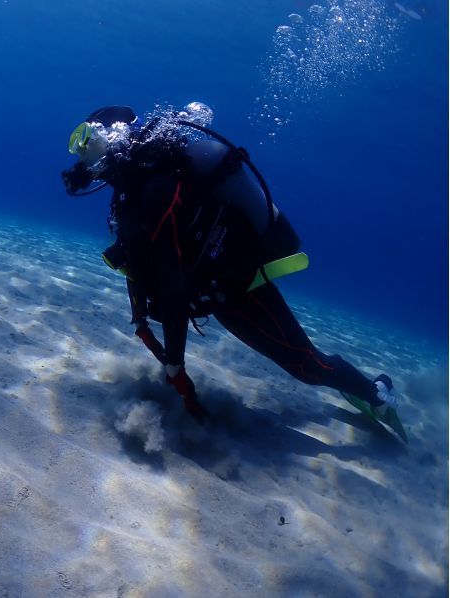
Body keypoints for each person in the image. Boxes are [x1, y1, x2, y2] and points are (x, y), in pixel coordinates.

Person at [61, 104, 407, 442]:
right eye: (81, 147)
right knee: (304, 364)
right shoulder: (128, 197)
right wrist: (139, 320)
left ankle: (378, 393)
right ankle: (362, 387)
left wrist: (174, 365)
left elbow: (174, 281)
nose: (84, 157)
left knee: (306, 366)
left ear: (120, 139)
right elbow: (134, 261)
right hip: (212, 291)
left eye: (89, 142)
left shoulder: (158, 189)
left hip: (238, 288)